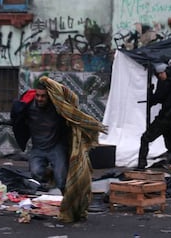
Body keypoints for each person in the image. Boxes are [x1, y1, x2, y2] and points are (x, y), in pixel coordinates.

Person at [11, 76, 107, 222]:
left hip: (56, 148)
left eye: (43, 96)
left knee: (62, 182)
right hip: (38, 148)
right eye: (38, 95)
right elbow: (16, 114)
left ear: (49, 96)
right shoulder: (28, 108)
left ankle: (70, 207)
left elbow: (71, 103)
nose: (40, 99)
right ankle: (52, 175)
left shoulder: (58, 109)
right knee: (37, 173)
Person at [137, 63, 171, 169]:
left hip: (165, 117)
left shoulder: (167, 83)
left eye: (160, 74)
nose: (159, 76)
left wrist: (150, 92)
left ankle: (141, 163)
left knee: (146, 138)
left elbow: (157, 98)